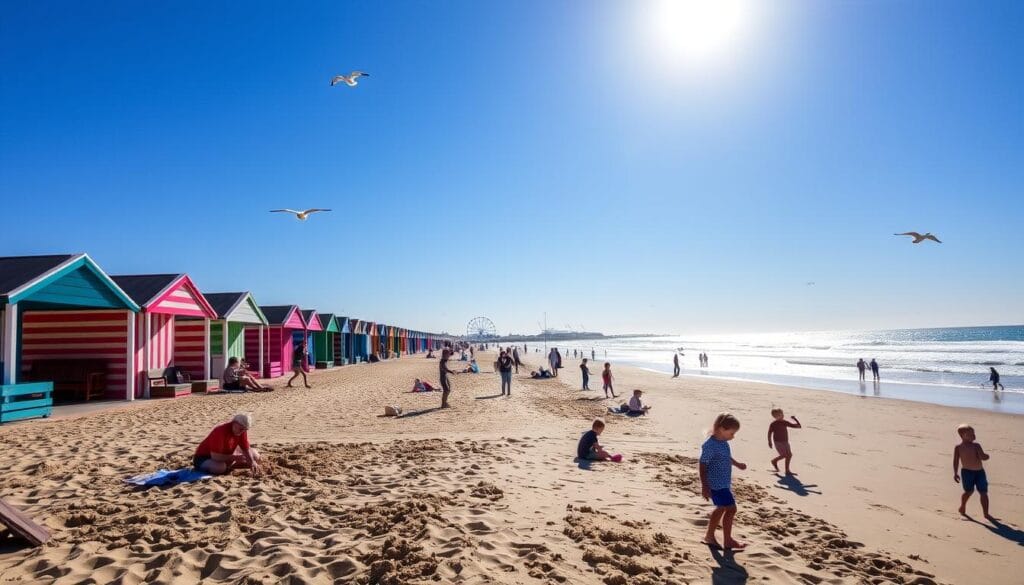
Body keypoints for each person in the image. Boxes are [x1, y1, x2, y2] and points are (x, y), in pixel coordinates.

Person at [699, 412, 747, 550]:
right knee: (731, 509)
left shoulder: (723, 442)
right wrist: (704, 486)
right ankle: (726, 540)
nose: (733, 436)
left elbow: (726, 457)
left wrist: (737, 464)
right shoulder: (710, 445)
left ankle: (713, 536)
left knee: (721, 509)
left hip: (724, 482)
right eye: (732, 433)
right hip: (716, 484)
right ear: (721, 429)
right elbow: (702, 464)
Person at [193, 413, 262, 476]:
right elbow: (215, 456)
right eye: (241, 429)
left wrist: (252, 461)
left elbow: (246, 448)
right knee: (220, 468)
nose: (242, 431)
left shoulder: (242, 430)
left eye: (245, 429)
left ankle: (229, 465)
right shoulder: (220, 431)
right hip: (205, 457)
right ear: (234, 423)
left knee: (255, 456)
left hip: (227, 453)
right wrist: (235, 457)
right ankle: (227, 466)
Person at [954, 424, 993, 519]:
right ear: (962, 436)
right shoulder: (958, 447)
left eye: (974, 433)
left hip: (980, 472)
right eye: (970, 434)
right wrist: (955, 473)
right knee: (968, 491)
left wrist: (986, 456)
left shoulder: (976, 446)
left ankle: (986, 513)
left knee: (983, 492)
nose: (973, 436)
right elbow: (955, 460)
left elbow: (982, 456)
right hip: (966, 473)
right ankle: (963, 506)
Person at [767, 408, 801, 475]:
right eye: (779, 415)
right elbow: (769, 433)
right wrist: (769, 441)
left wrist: (795, 419)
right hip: (778, 442)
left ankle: (786, 470)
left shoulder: (785, 422)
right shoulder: (773, 424)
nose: (782, 415)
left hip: (785, 441)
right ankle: (774, 461)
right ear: (774, 417)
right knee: (784, 455)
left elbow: (798, 426)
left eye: (782, 414)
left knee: (789, 455)